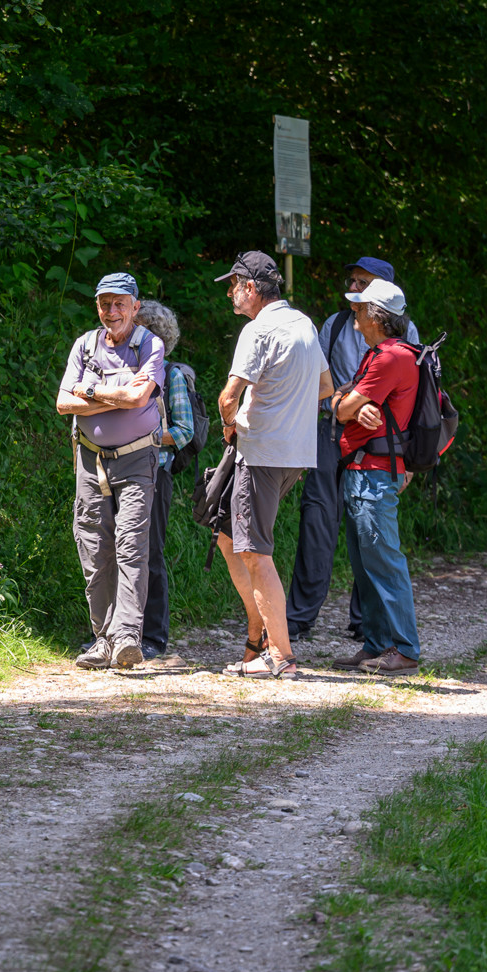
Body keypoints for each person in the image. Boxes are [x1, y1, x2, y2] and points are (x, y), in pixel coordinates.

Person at [286, 256, 419, 649]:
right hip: (335, 438)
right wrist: (346, 401)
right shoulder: (340, 325)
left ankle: (381, 636)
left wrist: (349, 402)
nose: (354, 289)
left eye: (364, 284)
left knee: (374, 546)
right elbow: (325, 387)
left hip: (378, 451)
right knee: (321, 523)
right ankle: (308, 621)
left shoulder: (399, 344)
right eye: (353, 281)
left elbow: (404, 399)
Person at [213, 251, 332, 680]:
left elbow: (228, 398)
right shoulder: (304, 324)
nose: (230, 292)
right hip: (295, 455)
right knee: (229, 536)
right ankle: (259, 633)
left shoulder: (257, 330)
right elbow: (325, 387)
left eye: (234, 284)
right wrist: (287, 415)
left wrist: (230, 425)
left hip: (259, 453)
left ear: (251, 288)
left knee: (253, 550)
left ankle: (279, 654)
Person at [57, 273, 167, 670]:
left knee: (131, 546)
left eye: (121, 303)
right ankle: (102, 638)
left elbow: (139, 397)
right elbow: (62, 403)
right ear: (97, 306)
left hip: (137, 460)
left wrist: (88, 391)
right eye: (105, 303)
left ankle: (125, 638)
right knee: (93, 547)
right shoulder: (85, 345)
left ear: (136, 307)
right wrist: (114, 397)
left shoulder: (150, 344)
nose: (112, 311)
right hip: (89, 460)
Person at [332, 277, 423, 675]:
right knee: (366, 563)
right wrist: (346, 404)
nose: (354, 312)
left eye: (359, 307)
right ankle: (376, 645)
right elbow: (343, 403)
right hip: (362, 471)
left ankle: (404, 648)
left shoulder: (389, 358)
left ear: (375, 315)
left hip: (373, 475)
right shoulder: (379, 353)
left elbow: (343, 404)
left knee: (384, 562)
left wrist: (347, 404)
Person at [137, 299, 196, 661]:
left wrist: (144, 435)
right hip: (117, 471)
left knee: (150, 552)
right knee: (117, 551)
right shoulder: (119, 369)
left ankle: (154, 637)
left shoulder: (171, 374)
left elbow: (185, 430)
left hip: (155, 470)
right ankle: (115, 631)